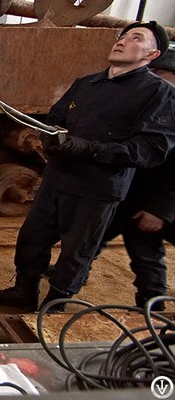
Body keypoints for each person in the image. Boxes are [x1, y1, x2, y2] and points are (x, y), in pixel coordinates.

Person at [0, 21, 175, 313]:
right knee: (32, 238)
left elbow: (151, 149)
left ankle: (55, 305)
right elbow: (55, 117)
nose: (122, 41)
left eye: (136, 38)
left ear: (152, 54)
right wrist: (49, 137)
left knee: (77, 251)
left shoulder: (158, 93)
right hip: (58, 178)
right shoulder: (87, 83)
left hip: (98, 188)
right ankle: (24, 290)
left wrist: (89, 149)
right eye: (122, 36)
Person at [94, 58, 175, 312]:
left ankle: (154, 302)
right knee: (112, 236)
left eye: (160, 73)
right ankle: (152, 302)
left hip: (163, 201)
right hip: (136, 195)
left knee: (145, 248)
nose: (153, 79)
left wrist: (161, 209)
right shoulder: (149, 105)